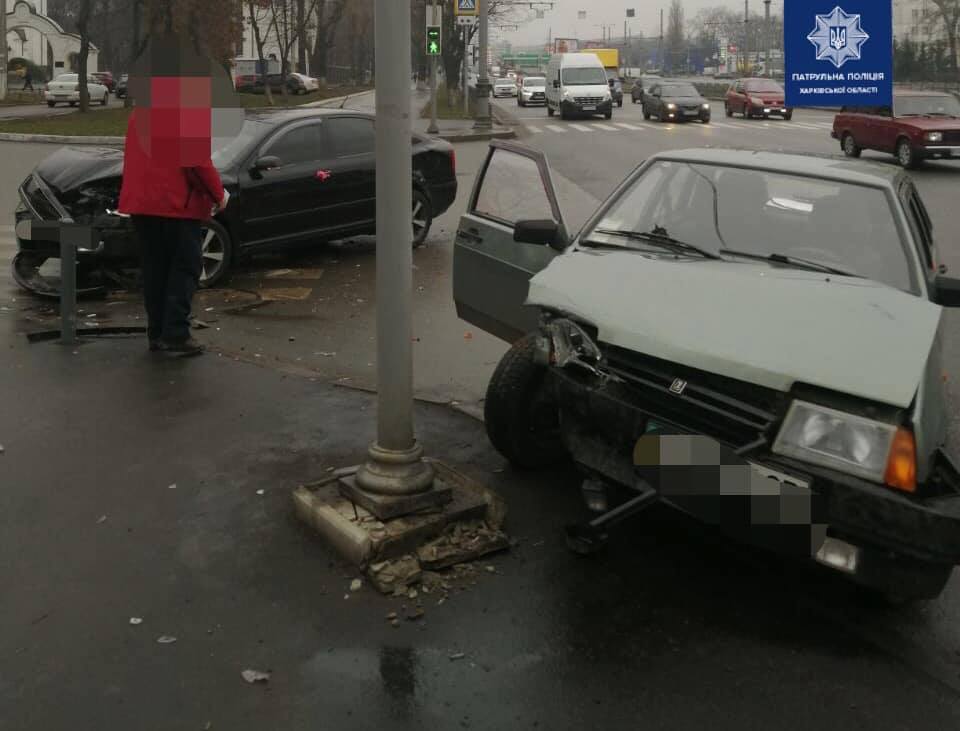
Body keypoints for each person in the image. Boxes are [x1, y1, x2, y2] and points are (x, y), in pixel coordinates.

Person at [117, 88, 228, 357]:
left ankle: (157, 333)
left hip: (142, 206)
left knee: (156, 271)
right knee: (185, 268)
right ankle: (176, 335)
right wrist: (219, 195)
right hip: (175, 206)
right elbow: (198, 163)